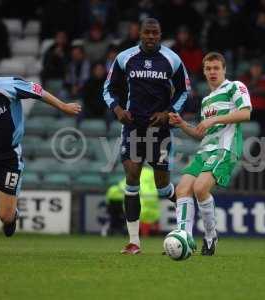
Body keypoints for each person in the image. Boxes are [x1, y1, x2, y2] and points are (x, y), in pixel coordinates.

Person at [102, 18, 190, 255]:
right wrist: (118, 110)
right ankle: (133, 242)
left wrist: (169, 113)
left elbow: (184, 90)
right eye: (147, 33)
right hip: (133, 127)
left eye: (155, 33)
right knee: (132, 176)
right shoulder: (125, 58)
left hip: (160, 130)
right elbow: (108, 89)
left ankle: (187, 217)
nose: (151, 37)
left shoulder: (172, 59)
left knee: (162, 186)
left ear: (160, 35)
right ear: (139, 34)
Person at [169, 52, 252, 255]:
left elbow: (246, 113)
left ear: (224, 69)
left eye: (216, 68)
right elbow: (200, 133)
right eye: (208, 69)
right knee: (182, 189)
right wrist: (182, 124)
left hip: (226, 148)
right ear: (204, 72)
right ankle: (184, 237)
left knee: (200, 188)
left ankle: (210, 236)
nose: (212, 72)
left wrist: (213, 120)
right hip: (205, 150)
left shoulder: (235, 86)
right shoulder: (206, 100)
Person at [0, 77, 81, 237]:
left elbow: (37, 90)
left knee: (5, 217)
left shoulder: (7, 86)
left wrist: (63, 106)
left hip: (8, 158)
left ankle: (12, 214)